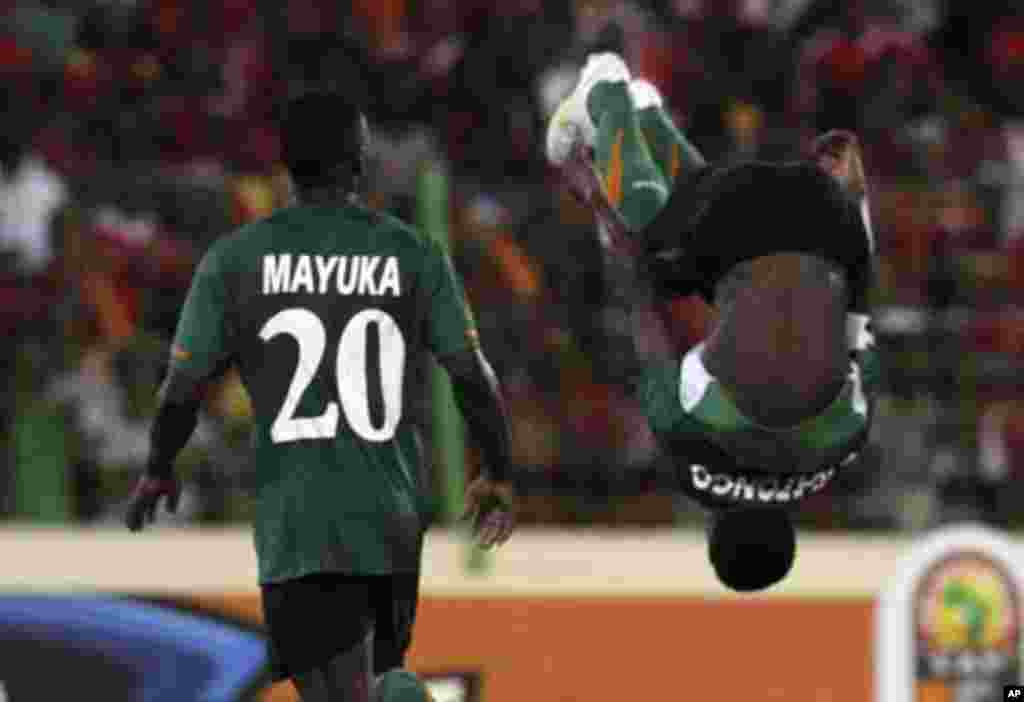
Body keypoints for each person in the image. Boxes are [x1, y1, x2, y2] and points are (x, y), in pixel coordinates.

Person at [125, 91, 516, 701]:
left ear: (284, 164)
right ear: (360, 158)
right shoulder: (413, 253)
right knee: (371, 680)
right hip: (392, 515)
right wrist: (498, 472)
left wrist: (157, 468)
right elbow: (472, 376)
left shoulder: (235, 260)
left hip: (299, 521)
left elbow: (182, 387)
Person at [546, 54, 880, 592]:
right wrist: (598, 206)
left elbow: (861, 318)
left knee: (699, 229)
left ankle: (647, 112)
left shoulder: (844, 445)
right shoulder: (693, 456)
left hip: (828, 221)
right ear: (714, 530)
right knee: (655, 234)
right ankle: (606, 91)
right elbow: (646, 317)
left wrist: (856, 206)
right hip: (736, 226)